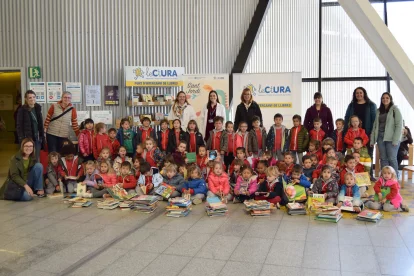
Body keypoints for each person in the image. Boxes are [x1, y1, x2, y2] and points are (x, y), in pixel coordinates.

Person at [370, 92, 403, 177]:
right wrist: (372, 140)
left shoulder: (395, 110)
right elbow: (375, 126)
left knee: (392, 158)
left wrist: (396, 140)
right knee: (383, 158)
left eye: (387, 98)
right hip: (380, 137)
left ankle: (395, 178)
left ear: (390, 99)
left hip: (391, 138)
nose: (385, 99)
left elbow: (399, 126)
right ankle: (384, 177)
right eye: (383, 98)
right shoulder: (378, 111)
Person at [16, 90, 44, 161]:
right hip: (28, 139)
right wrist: (22, 139)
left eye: (33, 97)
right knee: (27, 159)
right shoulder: (22, 110)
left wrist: (42, 136)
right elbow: (19, 126)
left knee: (36, 158)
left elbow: (40, 123)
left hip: (37, 138)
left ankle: (35, 171)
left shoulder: (38, 108)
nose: (32, 99)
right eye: (30, 97)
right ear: (26, 99)